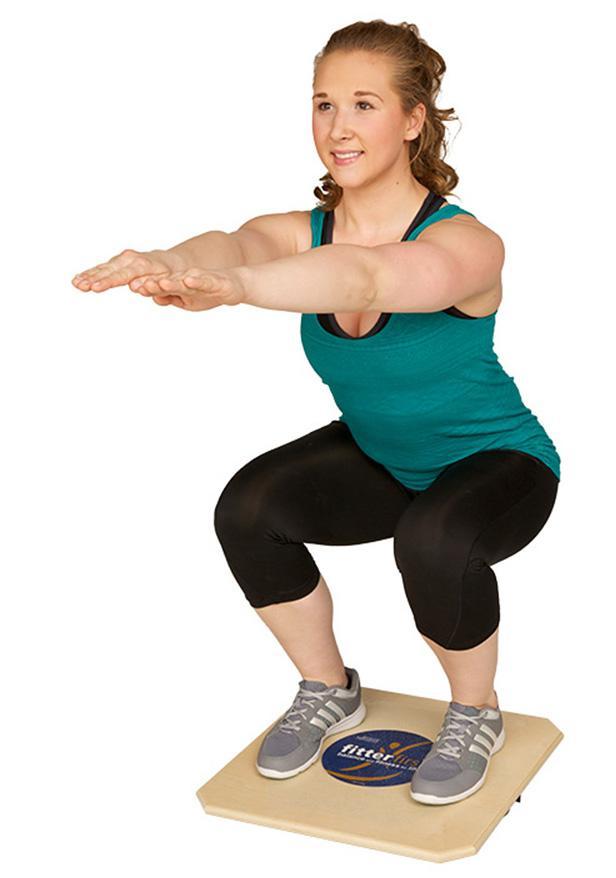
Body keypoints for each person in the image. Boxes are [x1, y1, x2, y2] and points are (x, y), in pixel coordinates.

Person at [71, 20, 560, 807]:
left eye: (364, 104)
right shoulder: (304, 231)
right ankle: (328, 689)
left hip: (498, 464)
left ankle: (476, 712)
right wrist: (174, 265)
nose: (338, 127)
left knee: (432, 539)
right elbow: (239, 244)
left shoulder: (470, 245)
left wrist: (238, 290)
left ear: (413, 119)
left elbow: (364, 280)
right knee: (249, 508)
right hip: (382, 455)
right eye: (324, 104)